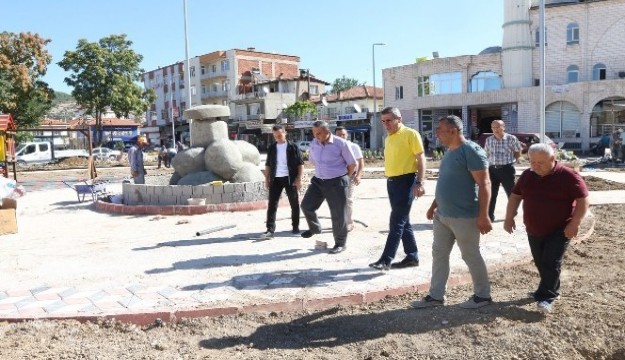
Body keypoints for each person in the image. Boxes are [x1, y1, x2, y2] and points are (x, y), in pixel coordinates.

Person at [412, 115, 494, 309]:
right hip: (443, 216)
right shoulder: (449, 151)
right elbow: (446, 182)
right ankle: (436, 296)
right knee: (439, 254)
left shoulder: (471, 151)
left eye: (440, 129)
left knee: (470, 255)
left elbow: (485, 183)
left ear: (453, 131)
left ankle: (483, 296)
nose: (436, 133)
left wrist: (484, 215)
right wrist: (434, 205)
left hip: (464, 216)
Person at [504, 143, 589, 313]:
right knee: (541, 262)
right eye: (532, 162)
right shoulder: (528, 175)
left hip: (560, 229)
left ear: (552, 159)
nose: (535, 167)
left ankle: (546, 297)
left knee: (551, 262)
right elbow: (515, 196)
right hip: (534, 228)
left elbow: (583, 200)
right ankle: (549, 289)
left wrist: (575, 223)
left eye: (540, 163)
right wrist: (509, 217)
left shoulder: (568, 176)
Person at [369, 107, 426, 271]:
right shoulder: (388, 137)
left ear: (398, 119)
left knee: (396, 222)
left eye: (389, 120)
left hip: (406, 182)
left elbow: (421, 159)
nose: (386, 124)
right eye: (383, 121)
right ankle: (412, 256)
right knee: (403, 221)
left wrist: (419, 182)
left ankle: (386, 259)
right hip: (392, 182)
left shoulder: (410, 134)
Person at [300, 120, 356, 254]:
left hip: (337, 182)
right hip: (319, 180)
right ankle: (315, 228)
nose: (316, 136)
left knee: (338, 214)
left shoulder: (341, 144)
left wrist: (343, 177)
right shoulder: (314, 143)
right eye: (314, 134)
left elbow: (352, 164)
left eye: (319, 133)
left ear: (327, 132)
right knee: (306, 206)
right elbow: (313, 160)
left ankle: (340, 243)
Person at [262, 125, 305, 239]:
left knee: (294, 204)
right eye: (275, 136)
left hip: (290, 179)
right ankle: (270, 229)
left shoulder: (293, 147)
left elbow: (300, 164)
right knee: (272, 204)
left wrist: (299, 179)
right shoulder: (272, 147)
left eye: (279, 135)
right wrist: (266, 179)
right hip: (275, 179)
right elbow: (268, 165)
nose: (278, 138)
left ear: (285, 133)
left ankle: (295, 227)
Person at [484, 120, 523, 222]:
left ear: (503, 127)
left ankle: (512, 214)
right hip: (492, 169)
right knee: (491, 193)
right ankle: (489, 216)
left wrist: (514, 161)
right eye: (493, 128)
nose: (496, 130)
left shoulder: (511, 139)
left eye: (498, 127)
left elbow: (517, 151)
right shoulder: (489, 140)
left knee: (511, 193)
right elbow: (486, 154)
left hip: (507, 169)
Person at [334, 126, 364, 232]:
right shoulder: (332, 147)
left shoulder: (353, 146)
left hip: (349, 176)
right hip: (335, 177)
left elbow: (360, 163)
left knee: (348, 200)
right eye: (338, 135)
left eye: (343, 135)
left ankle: (349, 222)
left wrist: (359, 175)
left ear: (347, 135)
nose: (341, 137)